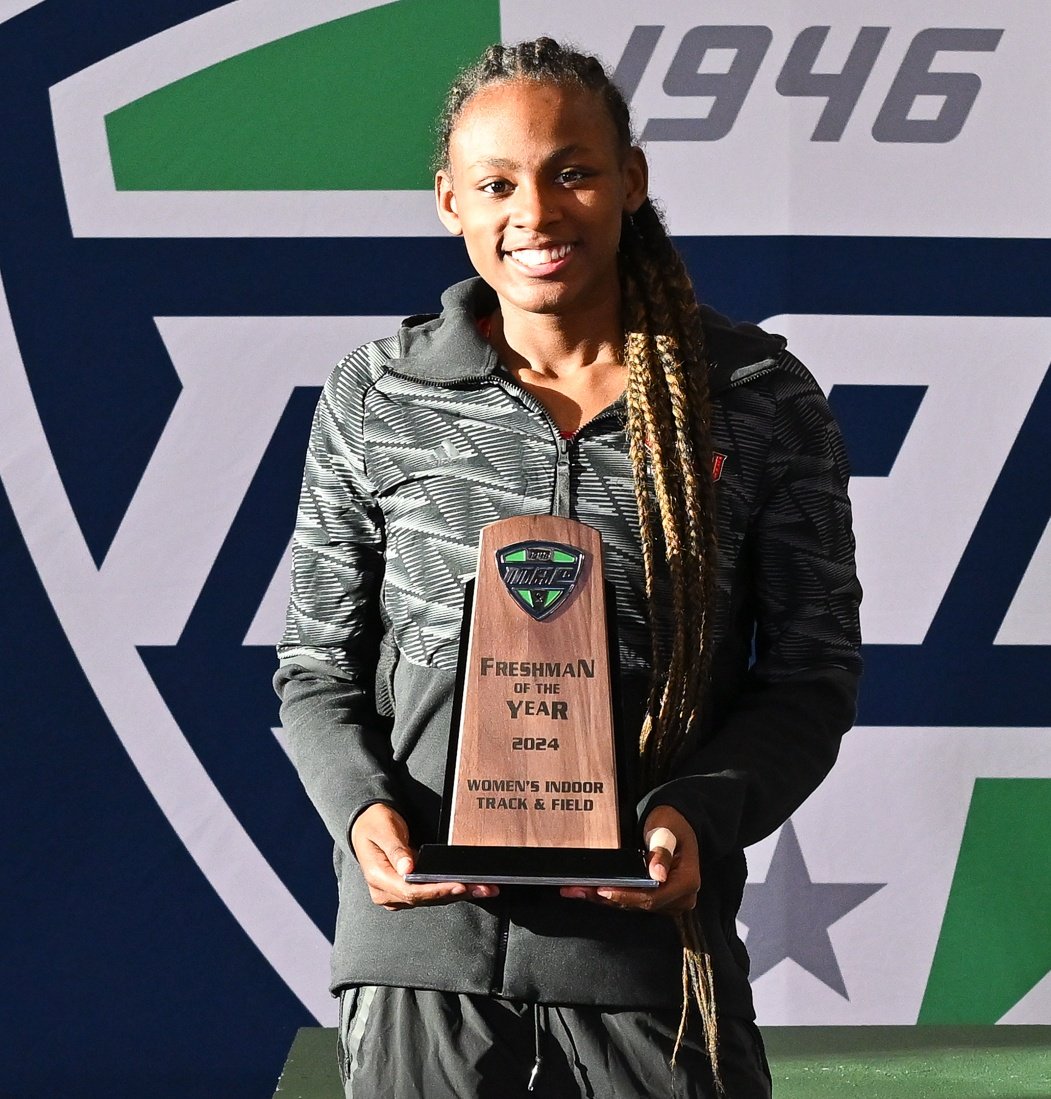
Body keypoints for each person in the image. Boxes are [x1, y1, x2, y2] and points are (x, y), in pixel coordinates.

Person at [275, 37, 861, 1099]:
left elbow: (810, 678)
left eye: (572, 171)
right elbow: (315, 667)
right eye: (496, 182)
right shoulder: (377, 396)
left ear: (630, 181)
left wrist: (697, 811)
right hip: (423, 959)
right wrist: (365, 812)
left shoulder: (757, 398)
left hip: (649, 951)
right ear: (449, 200)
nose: (535, 212)